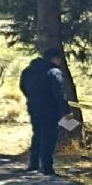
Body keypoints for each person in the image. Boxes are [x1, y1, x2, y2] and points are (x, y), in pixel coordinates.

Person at [19, 48, 73, 176]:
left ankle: (33, 164)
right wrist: (66, 111)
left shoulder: (28, 71)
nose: (60, 62)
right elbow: (59, 94)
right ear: (54, 58)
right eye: (59, 59)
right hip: (51, 109)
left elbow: (22, 87)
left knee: (37, 135)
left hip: (33, 107)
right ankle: (47, 168)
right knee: (49, 138)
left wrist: (32, 99)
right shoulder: (54, 72)